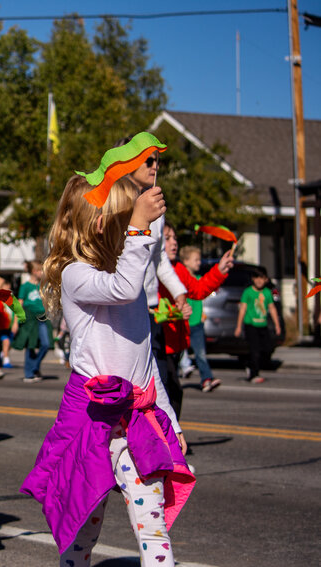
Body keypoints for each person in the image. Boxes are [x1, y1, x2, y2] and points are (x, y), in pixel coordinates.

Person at [21, 174, 194, 567]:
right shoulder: (75, 274)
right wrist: (138, 228)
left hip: (137, 418)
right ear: (103, 224)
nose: (137, 230)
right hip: (94, 420)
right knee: (85, 522)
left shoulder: (127, 285)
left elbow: (144, 365)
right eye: (127, 219)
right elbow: (124, 287)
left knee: (151, 524)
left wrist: (172, 422)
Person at [124, 141, 190, 419]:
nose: (155, 166)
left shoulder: (156, 205)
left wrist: (178, 291)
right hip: (123, 307)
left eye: (156, 161)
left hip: (151, 309)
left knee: (165, 381)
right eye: (148, 161)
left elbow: (159, 258)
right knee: (133, 387)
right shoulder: (117, 203)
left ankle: (168, 446)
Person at [158, 223, 233, 417]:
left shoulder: (179, 268)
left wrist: (220, 270)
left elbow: (198, 290)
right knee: (169, 395)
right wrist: (175, 314)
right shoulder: (151, 270)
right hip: (157, 345)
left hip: (174, 344)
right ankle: (168, 442)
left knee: (171, 394)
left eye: (175, 238)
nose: (174, 243)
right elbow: (150, 309)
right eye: (167, 238)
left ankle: (170, 442)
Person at [179, 245, 224, 392]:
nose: (199, 262)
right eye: (196, 260)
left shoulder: (198, 279)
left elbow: (201, 297)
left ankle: (207, 379)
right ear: (185, 261)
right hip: (182, 323)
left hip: (197, 323)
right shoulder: (177, 278)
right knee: (177, 353)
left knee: (200, 354)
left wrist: (203, 314)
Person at [234, 266, 281, 384]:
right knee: (254, 350)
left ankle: (250, 364)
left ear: (266, 280)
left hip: (262, 324)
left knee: (267, 348)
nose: (259, 281)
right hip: (251, 325)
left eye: (262, 278)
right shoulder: (248, 292)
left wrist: (277, 325)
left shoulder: (267, 293)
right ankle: (253, 374)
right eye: (257, 278)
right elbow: (243, 309)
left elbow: (272, 308)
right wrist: (239, 326)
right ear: (253, 279)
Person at [13, 260, 51, 383]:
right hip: (30, 319)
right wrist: (15, 322)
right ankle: (29, 373)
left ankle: (34, 367)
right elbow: (19, 304)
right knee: (31, 345)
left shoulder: (43, 285)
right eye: (40, 270)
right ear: (34, 272)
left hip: (42, 317)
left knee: (45, 344)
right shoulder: (25, 286)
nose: (42, 273)